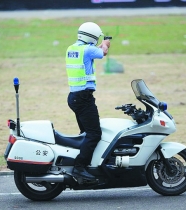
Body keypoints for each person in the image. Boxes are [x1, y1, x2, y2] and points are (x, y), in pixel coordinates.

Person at [66, 22, 110, 180]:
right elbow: (102, 52)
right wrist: (105, 43)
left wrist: (99, 45)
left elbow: (92, 51)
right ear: (91, 37)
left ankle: (85, 163)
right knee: (94, 134)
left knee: (85, 134)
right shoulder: (89, 49)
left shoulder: (73, 48)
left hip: (74, 96)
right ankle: (79, 168)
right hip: (84, 98)